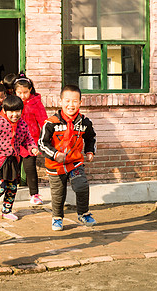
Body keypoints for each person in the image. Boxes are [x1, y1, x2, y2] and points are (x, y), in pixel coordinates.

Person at [38, 84, 97, 231]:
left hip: (75, 162)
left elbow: (91, 138)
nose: (71, 105)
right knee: (58, 194)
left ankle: (83, 213)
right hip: (55, 165)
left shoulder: (84, 122)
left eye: (75, 101)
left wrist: (90, 151)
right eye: (67, 101)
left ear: (80, 103)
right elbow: (41, 143)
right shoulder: (51, 123)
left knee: (81, 185)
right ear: (60, 102)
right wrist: (55, 154)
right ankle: (57, 217)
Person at [0, 95, 39, 220]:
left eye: (18, 111)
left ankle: (7, 211)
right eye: (11, 111)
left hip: (13, 160)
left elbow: (28, 139)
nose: (15, 114)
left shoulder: (22, 124)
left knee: (12, 188)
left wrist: (32, 148)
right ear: (5, 111)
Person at [14, 74, 48, 205]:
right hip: (14, 141)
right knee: (12, 167)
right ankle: (7, 192)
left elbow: (43, 121)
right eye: (19, 93)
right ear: (14, 91)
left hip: (30, 142)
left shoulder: (36, 103)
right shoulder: (12, 102)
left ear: (30, 90)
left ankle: (34, 194)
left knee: (30, 168)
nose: (22, 96)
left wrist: (43, 140)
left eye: (25, 92)